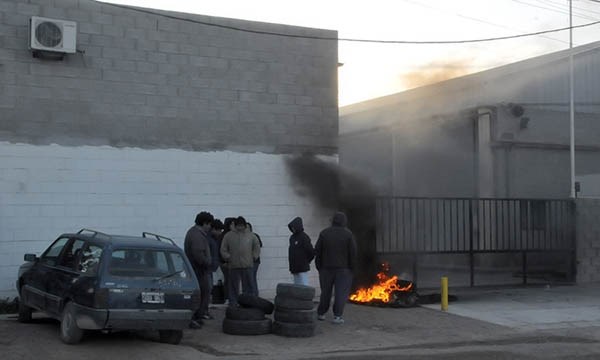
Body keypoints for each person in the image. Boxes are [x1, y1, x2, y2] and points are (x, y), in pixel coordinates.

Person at [315, 211, 357, 325]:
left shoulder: (324, 233)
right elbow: (353, 253)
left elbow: (317, 251)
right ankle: (337, 316)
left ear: (333, 220)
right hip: (343, 270)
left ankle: (321, 313)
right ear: (344, 221)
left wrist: (319, 266)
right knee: (340, 294)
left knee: (325, 292)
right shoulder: (348, 234)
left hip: (325, 269)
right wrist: (352, 269)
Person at [220, 216, 260, 305]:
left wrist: (254, 256)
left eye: (242, 226)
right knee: (233, 286)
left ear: (245, 226)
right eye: (238, 225)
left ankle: (249, 302)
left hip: (248, 265)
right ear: (235, 225)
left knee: (249, 286)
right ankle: (233, 302)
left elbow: (257, 246)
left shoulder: (251, 235)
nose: (240, 227)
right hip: (233, 265)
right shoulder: (228, 236)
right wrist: (228, 257)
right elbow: (223, 249)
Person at [184, 211, 214, 327]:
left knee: (202, 294)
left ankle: (196, 317)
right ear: (205, 223)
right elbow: (198, 254)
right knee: (201, 294)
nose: (210, 227)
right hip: (199, 270)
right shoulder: (197, 235)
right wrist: (207, 263)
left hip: (197, 269)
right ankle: (194, 317)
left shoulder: (194, 233)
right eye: (209, 224)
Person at [287, 216, 314, 286]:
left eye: (293, 227)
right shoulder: (292, 238)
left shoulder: (304, 237)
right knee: (297, 286)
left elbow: (311, 251)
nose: (292, 229)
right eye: (291, 228)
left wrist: (306, 261)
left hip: (302, 267)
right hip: (294, 267)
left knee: (304, 286)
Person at [207, 219, 224, 306]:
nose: (220, 232)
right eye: (219, 230)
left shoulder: (213, 239)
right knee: (208, 288)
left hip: (212, 267)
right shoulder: (209, 240)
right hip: (209, 267)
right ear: (214, 229)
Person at [219, 217, 235, 304]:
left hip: (232, 261)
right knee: (229, 280)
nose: (234, 226)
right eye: (232, 224)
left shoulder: (232, 235)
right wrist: (224, 261)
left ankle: (230, 297)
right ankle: (228, 297)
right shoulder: (225, 236)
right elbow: (221, 249)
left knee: (231, 280)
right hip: (226, 262)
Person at [246, 222, 263, 296]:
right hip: (247, 261)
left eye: (247, 227)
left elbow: (260, 245)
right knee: (250, 278)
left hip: (254, 261)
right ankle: (252, 294)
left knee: (251, 277)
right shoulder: (244, 237)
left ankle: (254, 294)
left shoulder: (254, 236)